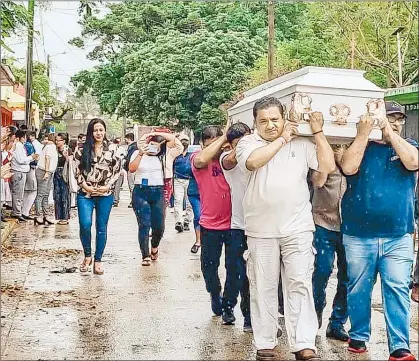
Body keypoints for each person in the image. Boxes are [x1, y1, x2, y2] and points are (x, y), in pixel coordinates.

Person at [236, 96, 335, 361]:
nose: (270, 125)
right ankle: (265, 342)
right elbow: (253, 163)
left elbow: (327, 166)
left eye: (275, 120)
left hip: (298, 227)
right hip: (260, 229)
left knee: (300, 284)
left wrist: (318, 132)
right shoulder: (248, 143)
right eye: (263, 121)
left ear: (284, 118)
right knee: (263, 287)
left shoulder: (303, 143)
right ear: (255, 123)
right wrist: (283, 139)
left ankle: (304, 343)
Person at [340, 101, 418, 361]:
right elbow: (348, 167)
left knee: (396, 287)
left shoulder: (408, 146)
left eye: (398, 119)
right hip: (358, 235)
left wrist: (390, 133)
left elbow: (413, 162)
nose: (394, 122)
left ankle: (400, 347)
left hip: (399, 235)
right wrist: (364, 133)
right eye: (388, 118)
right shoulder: (359, 146)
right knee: (359, 288)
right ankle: (359, 335)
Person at [192, 124, 245, 326]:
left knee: (235, 268)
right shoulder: (199, 161)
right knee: (209, 268)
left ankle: (228, 306)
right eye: (210, 144)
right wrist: (223, 138)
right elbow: (202, 158)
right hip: (210, 224)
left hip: (234, 224)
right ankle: (215, 293)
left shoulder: (233, 158)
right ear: (202, 144)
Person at [310, 144, 349, 341]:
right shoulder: (319, 153)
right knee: (321, 270)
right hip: (322, 222)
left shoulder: (357, 154)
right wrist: (329, 158)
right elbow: (318, 182)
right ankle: (314, 314)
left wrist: (344, 160)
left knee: (348, 276)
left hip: (351, 226)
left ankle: (337, 322)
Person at [74, 118, 122, 275]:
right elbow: (77, 171)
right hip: (85, 193)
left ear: (105, 131)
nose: (99, 133)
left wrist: (107, 186)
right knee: (85, 224)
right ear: (90, 132)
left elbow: (117, 171)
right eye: (95, 130)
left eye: (101, 130)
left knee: (101, 228)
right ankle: (87, 255)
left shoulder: (112, 150)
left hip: (104, 193)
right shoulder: (81, 150)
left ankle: (98, 260)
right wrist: (85, 185)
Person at [129, 131, 181, 266]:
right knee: (144, 224)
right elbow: (132, 169)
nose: (153, 148)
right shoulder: (138, 153)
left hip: (158, 191)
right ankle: (145, 255)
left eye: (156, 146)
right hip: (140, 191)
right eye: (151, 145)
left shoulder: (165, 156)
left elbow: (176, 142)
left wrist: (157, 133)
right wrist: (143, 149)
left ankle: (154, 247)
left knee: (159, 226)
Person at [220, 122, 252, 332]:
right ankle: (228, 306)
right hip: (238, 225)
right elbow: (231, 161)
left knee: (255, 275)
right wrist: (239, 149)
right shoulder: (227, 160)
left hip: (260, 226)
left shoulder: (259, 156)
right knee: (235, 272)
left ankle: (250, 316)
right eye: (239, 144)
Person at [10, 130, 39, 222]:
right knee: (18, 193)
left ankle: (17, 211)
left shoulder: (20, 146)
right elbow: (21, 160)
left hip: (21, 171)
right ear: (22, 137)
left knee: (19, 193)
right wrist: (32, 157)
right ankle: (16, 212)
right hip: (19, 172)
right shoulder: (18, 146)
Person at [34, 133, 58, 225]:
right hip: (44, 171)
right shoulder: (50, 147)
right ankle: (38, 215)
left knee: (46, 194)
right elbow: (47, 158)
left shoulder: (50, 146)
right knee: (41, 194)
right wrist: (47, 172)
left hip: (49, 171)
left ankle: (46, 214)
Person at [173, 134, 193, 233]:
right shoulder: (175, 156)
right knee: (178, 200)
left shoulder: (191, 155)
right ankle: (179, 222)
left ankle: (187, 221)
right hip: (178, 180)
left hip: (189, 180)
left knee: (189, 202)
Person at [53, 133, 71, 225]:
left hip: (64, 174)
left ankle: (65, 217)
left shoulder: (68, 150)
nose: (57, 142)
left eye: (59, 140)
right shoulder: (54, 150)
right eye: (56, 140)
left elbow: (71, 162)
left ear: (63, 141)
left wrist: (65, 156)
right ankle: (59, 216)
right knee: (57, 195)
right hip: (55, 173)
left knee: (64, 195)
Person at [21, 131, 38, 220]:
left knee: (26, 191)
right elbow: (33, 157)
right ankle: (25, 211)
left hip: (25, 169)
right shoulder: (29, 145)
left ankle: (23, 210)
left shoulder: (23, 145)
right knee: (33, 190)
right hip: (30, 169)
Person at [110, 137, 127, 207]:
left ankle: (114, 200)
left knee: (114, 185)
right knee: (116, 185)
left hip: (115, 169)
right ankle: (115, 200)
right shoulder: (120, 149)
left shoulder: (111, 147)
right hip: (114, 169)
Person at [124, 133, 137, 208]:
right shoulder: (137, 146)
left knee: (132, 185)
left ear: (128, 138)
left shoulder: (132, 147)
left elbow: (128, 158)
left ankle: (133, 201)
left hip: (131, 168)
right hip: (137, 168)